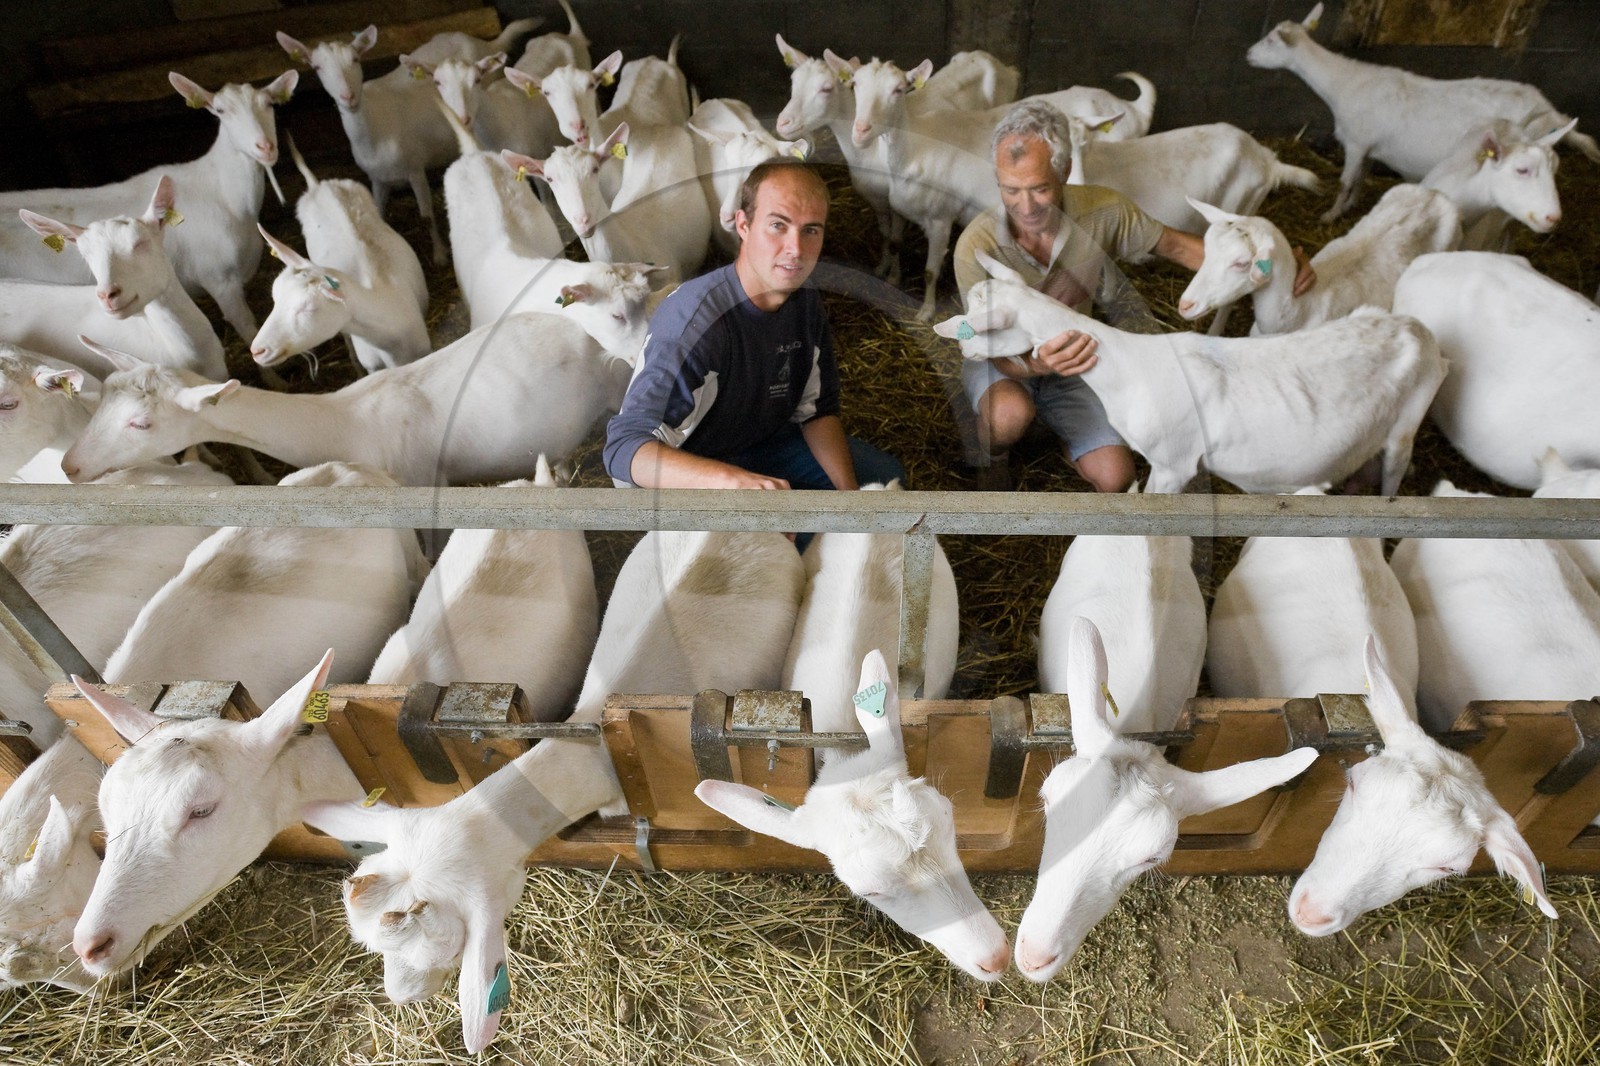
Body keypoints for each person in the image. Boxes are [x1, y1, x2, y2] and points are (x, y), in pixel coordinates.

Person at [952, 100, 1314, 492]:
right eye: (1011, 190)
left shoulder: (1103, 210)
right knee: (1008, 416)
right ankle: (992, 454)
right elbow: (976, 338)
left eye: (1040, 188)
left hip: (1077, 356)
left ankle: (1062, 429)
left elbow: (1179, 248)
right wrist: (1036, 364)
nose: (1025, 207)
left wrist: (1274, 261)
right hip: (1003, 360)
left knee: (1117, 478)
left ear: (1065, 171)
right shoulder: (975, 245)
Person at [604, 160, 903, 493]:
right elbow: (624, 449)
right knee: (778, 520)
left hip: (763, 442)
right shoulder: (695, 324)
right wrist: (731, 481)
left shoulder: (804, 300)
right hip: (695, 465)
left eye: (810, 230)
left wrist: (851, 500)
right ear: (743, 225)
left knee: (883, 480)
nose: (796, 250)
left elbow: (817, 410)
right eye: (778, 225)